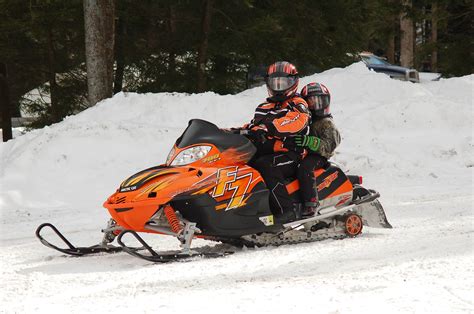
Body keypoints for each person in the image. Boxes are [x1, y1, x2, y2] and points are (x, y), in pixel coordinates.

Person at [245, 61, 311, 223]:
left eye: (283, 82)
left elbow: (295, 122)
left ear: (293, 82)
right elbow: (253, 125)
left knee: (267, 165)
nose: (279, 87)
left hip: (292, 153)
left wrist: (269, 128)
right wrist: (232, 132)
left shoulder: (297, 104)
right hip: (268, 151)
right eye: (275, 82)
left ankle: (285, 210)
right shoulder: (263, 107)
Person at [283, 82, 341, 216]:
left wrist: (310, 142)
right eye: (312, 102)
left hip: (319, 156)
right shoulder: (305, 120)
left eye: (320, 101)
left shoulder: (326, 122)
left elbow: (330, 144)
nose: (317, 105)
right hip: (304, 153)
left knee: (305, 168)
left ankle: (311, 202)